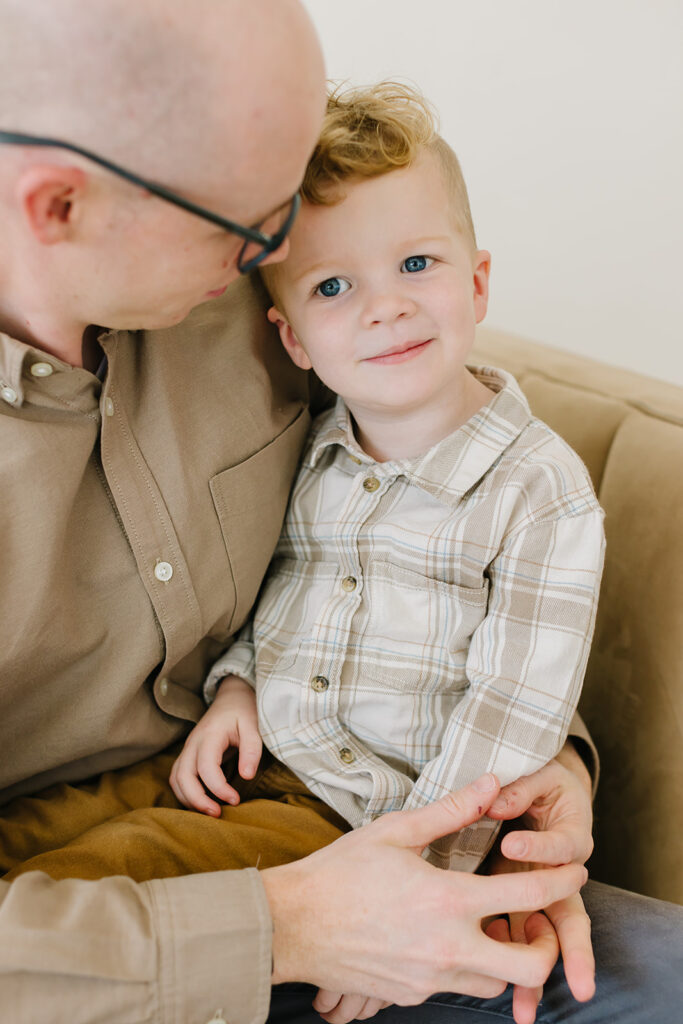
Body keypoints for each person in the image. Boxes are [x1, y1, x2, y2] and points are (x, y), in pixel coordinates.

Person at [0, 2, 681, 1024]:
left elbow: (428, 538)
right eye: (252, 218)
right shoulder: (268, 287)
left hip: (357, 809)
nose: (290, 235)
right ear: (57, 206)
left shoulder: (265, 308)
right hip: (84, 945)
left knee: (663, 981)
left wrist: (534, 771)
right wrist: (286, 926)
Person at [171, 82, 605, 883]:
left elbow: (509, 717)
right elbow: (281, 599)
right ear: (293, 338)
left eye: (415, 263)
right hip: (256, 764)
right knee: (44, 833)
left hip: (364, 822)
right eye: (333, 286)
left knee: (115, 871)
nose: (387, 306)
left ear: (475, 285)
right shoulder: (317, 448)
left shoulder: (539, 489)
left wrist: (413, 880)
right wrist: (236, 689)